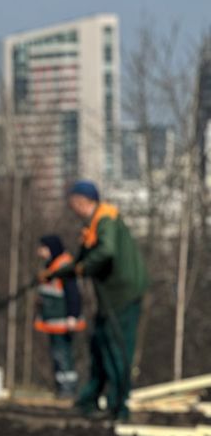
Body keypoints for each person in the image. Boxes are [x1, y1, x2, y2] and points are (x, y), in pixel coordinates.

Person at [46, 180, 146, 421]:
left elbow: (105, 252)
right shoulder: (93, 224)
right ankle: (90, 399)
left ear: (81, 201)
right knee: (99, 344)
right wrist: (57, 273)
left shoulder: (105, 220)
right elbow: (82, 259)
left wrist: (82, 269)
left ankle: (119, 406)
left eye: (73, 204)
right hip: (111, 295)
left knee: (116, 348)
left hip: (122, 294)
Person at [34, 234, 84, 398]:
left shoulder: (64, 267)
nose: (40, 252)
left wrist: (72, 316)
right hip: (53, 320)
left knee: (63, 355)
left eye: (43, 248)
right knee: (58, 355)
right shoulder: (51, 266)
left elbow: (73, 293)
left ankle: (67, 389)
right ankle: (61, 387)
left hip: (63, 321)